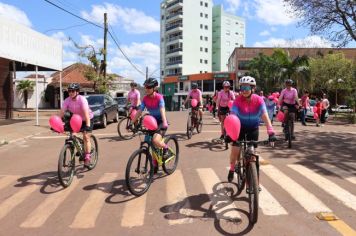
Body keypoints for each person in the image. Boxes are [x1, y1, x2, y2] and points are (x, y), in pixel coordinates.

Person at [227, 76, 276, 182]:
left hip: (253, 128)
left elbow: (264, 115)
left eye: (247, 88)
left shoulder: (259, 100)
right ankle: (231, 169)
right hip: (239, 128)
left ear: (253, 89)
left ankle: (255, 182)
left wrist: (270, 131)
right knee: (235, 151)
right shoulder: (237, 101)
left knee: (252, 155)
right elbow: (233, 115)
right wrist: (229, 133)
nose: (244, 91)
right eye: (242, 88)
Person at [131, 78, 169, 173]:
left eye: (148, 87)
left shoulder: (159, 97)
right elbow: (140, 111)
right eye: (145, 87)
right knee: (149, 141)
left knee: (155, 140)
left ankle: (165, 148)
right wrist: (132, 123)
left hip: (160, 122)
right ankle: (155, 163)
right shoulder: (145, 99)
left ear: (154, 88)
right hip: (152, 122)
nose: (146, 89)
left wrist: (164, 121)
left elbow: (162, 110)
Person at [60, 83, 94, 167]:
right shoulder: (67, 100)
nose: (70, 92)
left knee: (86, 136)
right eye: (69, 91)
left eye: (72, 91)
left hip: (87, 119)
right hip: (75, 120)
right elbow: (62, 112)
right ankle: (80, 148)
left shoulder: (82, 100)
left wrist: (87, 126)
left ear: (77, 92)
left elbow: (86, 114)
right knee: (72, 135)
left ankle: (87, 157)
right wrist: (59, 123)